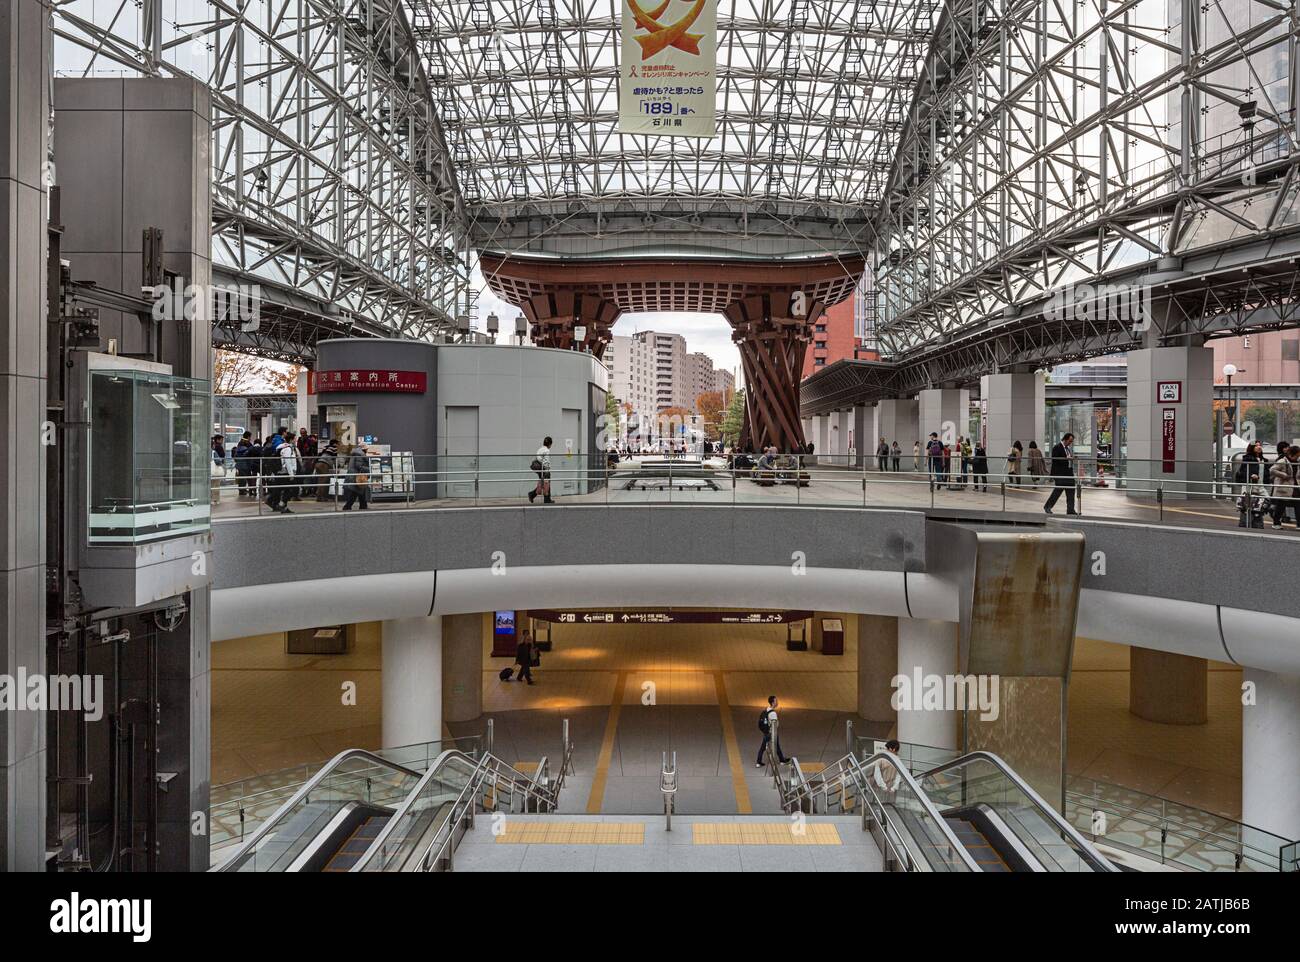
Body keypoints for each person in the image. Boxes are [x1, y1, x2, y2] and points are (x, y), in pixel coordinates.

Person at [1043, 433, 1079, 515]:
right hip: (1059, 472)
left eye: (1072, 441)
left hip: (1068, 472)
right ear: (1065, 439)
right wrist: (1067, 458)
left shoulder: (1068, 448)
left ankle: (1070, 510)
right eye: (1070, 441)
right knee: (1058, 490)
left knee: (1071, 490)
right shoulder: (1057, 447)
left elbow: (1067, 459)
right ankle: (1047, 506)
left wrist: (1072, 458)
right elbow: (1055, 459)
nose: (1070, 443)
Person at [1269, 445, 1299, 529]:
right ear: (1292, 454)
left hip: (1295, 486)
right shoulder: (1283, 461)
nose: (1298, 457)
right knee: (1281, 505)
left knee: (1298, 503)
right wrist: (1284, 475)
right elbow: (1272, 470)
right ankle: (1276, 523)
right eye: (1297, 455)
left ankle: (1299, 524)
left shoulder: (1297, 461)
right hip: (1285, 486)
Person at [755, 695, 789, 768]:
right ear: (773, 703)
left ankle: (781, 760)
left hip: (766, 731)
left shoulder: (767, 709)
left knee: (775, 746)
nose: (777, 702)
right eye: (776, 701)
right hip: (771, 732)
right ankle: (758, 762)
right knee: (766, 746)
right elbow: (775, 724)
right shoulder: (773, 713)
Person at [342, 442, 371, 511]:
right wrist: (368, 469)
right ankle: (347, 506)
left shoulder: (356, 453)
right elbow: (359, 466)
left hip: (355, 475)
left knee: (361, 490)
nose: (367, 450)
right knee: (356, 492)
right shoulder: (360, 455)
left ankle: (363, 505)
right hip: (357, 476)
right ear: (363, 449)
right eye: (366, 449)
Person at [529, 436, 553, 504]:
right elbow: (546, 461)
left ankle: (533, 495)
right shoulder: (547, 450)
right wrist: (547, 470)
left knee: (543, 484)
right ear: (550, 444)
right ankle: (546, 499)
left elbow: (538, 458)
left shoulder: (540, 449)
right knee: (546, 483)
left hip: (539, 469)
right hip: (544, 469)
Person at [233, 431, 255, 497]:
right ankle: (248, 490)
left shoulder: (240, 442)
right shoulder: (247, 443)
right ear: (248, 436)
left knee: (242, 478)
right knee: (247, 477)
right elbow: (252, 451)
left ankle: (242, 490)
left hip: (240, 463)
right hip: (246, 463)